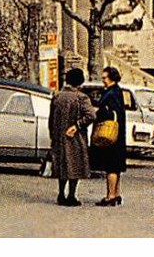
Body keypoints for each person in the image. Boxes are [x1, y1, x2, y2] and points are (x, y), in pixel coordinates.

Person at [48, 67, 95, 205]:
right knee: (75, 166)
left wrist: (53, 134)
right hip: (75, 137)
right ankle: (72, 196)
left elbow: (51, 119)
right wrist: (78, 125)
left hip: (58, 136)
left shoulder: (57, 96)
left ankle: (61, 193)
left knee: (62, 165)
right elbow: (91, 115)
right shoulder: (81, 97)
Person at [89, 65, 128, 206]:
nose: (103, 80)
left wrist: (97, 112)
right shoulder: (117, 91)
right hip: (119, 132)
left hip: (110, 132)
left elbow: (110, 112)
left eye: (105, 77)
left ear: (111, 77)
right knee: (116, 166)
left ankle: (110, 195)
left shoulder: (111, 93)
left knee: (111, 166)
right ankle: (116, 193)